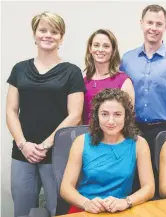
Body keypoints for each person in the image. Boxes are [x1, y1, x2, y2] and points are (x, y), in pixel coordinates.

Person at [6, 12, 85, 217]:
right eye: (43, 30)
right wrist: (24, 144)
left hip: (57, 153)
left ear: (61, 37)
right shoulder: (20, 69)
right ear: (35, 34)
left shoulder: (72, 72)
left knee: (57, 210)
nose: (48, 35)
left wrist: (44, 145)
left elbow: (74, 115)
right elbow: (11, 110)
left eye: (54, 31)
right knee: (22, 211)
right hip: (23, 152)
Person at [60, 88, 155, 214]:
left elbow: (149, 188)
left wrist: (126, 201)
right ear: (97, 116)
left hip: (120, 209)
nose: (111, 121)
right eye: (104, 114)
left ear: (126, 117)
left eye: (117, 114)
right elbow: (65, 188)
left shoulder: (139, 144)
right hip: (85, 208)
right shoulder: (81, 142)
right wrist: (86, 203)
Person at [119, 4, 166, 164]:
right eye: (149, 22)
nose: (154, 28)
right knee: (134, 178)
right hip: (132, 129)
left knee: (162, 179)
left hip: (165, 130)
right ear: (141, 23)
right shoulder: (127, 60)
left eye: (159, 24)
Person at [83, 29, 134, 124]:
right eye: (96, 45)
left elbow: (128, 118)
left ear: (113, 50)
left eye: (106, 46)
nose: (100, 50)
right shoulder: (83, 82)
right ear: (90, 49)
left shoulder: (123, 81)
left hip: (114, 137)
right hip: (87, 136)